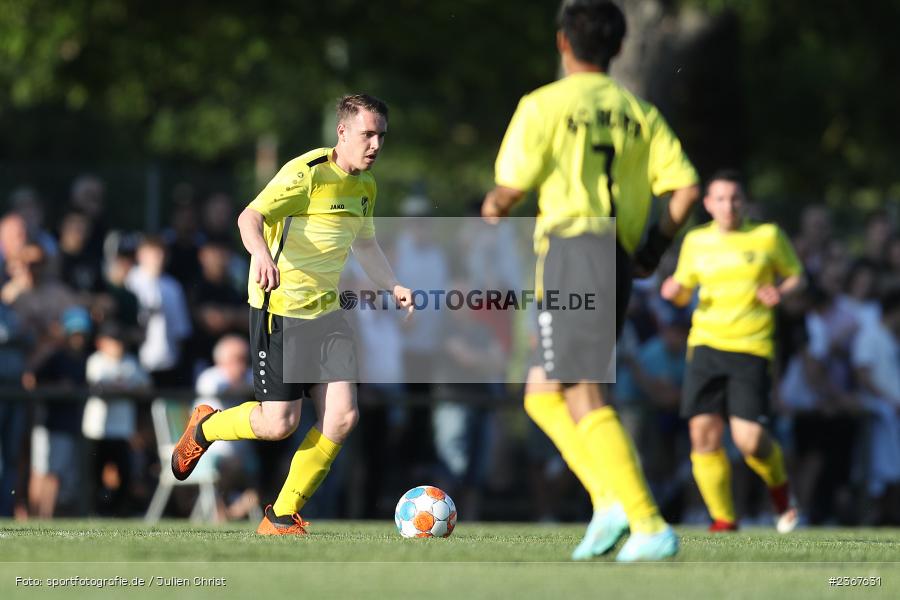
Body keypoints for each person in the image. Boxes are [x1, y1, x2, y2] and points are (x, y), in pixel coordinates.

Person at [482, 0, 700, 561]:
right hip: (617, 254)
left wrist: (494, 206)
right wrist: (653, 248)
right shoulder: (638, 111)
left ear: (563, 42)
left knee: (582, 387)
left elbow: (511, 187)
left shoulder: (544, 104)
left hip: (574, 248)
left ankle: (647, 522)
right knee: (541, 393)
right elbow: (685, 190)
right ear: (620, 47)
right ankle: (608, 500)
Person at [172, 94, 413, 535]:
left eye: (381, 136)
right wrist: (261, 255)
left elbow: (365, 244)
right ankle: (206, 427)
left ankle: (281, 516)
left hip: (327, 314)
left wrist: (393, 284)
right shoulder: (307, 173)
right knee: (278, 423)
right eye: (368, 134)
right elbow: (249, 218)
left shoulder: (365, 186)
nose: (376, 144)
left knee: (342, 417)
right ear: (342, 132)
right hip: (280, 311)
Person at [660, 169, 803, 533]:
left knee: (749, 441)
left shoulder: (767, 236)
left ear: (745, 202)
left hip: (750, 347)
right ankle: (724, 518)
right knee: (702, 435)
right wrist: (674, 291)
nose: (728, 206)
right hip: (706, 345)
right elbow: (683, 290)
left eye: (735, 198)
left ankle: (781, 493)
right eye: (720, 199)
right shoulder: (695, 241)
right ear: (708, 204)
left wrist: (780, 292)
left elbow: (796, 276)